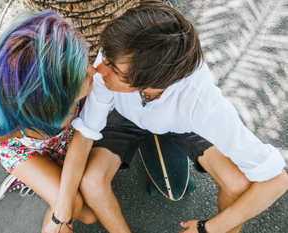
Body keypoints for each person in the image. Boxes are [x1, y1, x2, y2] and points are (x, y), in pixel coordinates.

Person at [69, 1, 288, 232]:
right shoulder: (116, 57)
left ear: (152, 83)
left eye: (113, 69)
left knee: (238, 184)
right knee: (91, 181)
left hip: (183, 123)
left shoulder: (203, 105)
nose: (98, 70)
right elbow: (85, 132)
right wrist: (61, 210)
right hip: (125, 115)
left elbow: (276, 180)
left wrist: (209, 229)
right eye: (106, 59)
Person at [0, 11, 97, 233]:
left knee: (90, 216)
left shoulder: (79, 91)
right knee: (80, 208)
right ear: (53, 101)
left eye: (87, 62)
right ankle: (30, 177)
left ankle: (48, 176)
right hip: (26, 151)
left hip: (60, 143)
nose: (94, 71)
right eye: (84, 75)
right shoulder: (12, 125)